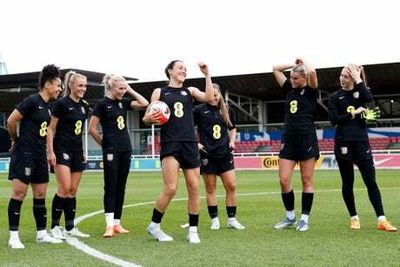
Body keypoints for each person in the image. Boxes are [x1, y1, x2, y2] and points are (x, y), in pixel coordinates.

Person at [143, 60, 213, 244]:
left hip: (190, 143)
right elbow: (147, 117)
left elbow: (208, 97)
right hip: (170, 143)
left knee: (194, 187)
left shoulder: (190, 91)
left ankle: (193, 230)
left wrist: (207, 75)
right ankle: (154, 226)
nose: (184, 70)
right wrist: (148, 118)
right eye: (180, 68)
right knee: (171, 188)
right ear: (170, 71)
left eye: (185, 69)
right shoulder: (160, 92)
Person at [328, 64, 397, 232]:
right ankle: (354, 218)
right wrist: (354, 113)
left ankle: (381, 219)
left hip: (361, 143)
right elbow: (334, 119)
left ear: (353, 78)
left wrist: (359, 79)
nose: (342, 79)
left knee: (371, 182)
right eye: (341, 75)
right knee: (347, 183)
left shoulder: (362, 91)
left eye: (346, 76)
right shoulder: (335, 96)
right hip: (343, 143)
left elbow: (369, 99)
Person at [7, 64, 64, 249]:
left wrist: (50, 151)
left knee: (40, 194)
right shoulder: (31, 101)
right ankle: (13, 236)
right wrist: (15, 139)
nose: (60, 89)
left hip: (40, 155)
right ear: (48, 84)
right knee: (19, 194)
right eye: (58, 85)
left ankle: (41, 234)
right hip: (24, 154)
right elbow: (11, 120)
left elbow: (47, 130)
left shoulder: (48, 107)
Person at [89, 74, 148, 238]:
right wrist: (103, 144)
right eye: (120, 88)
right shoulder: (102, 104)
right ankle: (108, 226)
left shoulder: (124, 103)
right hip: (111, 150)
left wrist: (130, 88)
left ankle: (117, 223)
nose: (123, 92)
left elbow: (145, 103)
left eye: (124, 88)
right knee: (110, 187)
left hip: (125, 149)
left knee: (121, 187)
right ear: (111, 88)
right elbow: (92, 128)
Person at [272, 58, 319, 232]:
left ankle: (304, 219)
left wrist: (304, 62)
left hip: (306, 138)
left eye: (296, 78)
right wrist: (293, 65)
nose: (292, 81)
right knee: (284, 180)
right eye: (291, 78)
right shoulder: (289, 88)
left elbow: (313, 72)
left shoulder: (311, 90)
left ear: (304, 77)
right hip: (289, 139)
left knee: (306, 180)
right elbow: (275, 69)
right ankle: (290, 216)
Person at [193, 83, 245, 230]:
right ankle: (214, 219)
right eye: (211, 94)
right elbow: (188, 127)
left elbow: (232, 128)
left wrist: (232, 141)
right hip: (207, 154)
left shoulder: (227, 110)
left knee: (231, 186)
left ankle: (232, 219)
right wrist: (196, 143)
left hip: (224, 153)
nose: (214, 97)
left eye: (216, 94)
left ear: (220, 95)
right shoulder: (199, 110)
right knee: (210, 188)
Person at [47, 71, 90, 239]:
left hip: (77, 151)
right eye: (80, 85)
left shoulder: (85, 106)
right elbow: (50, 129)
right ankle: (54, 226)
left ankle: (70, 227)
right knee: (64, 189)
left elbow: (79, 132)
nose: (83, 88)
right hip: (61, 149)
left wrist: (83, 150)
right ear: (71, 86)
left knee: (72, 190)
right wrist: (50, 151)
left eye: (85, 86)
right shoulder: (61, 104)